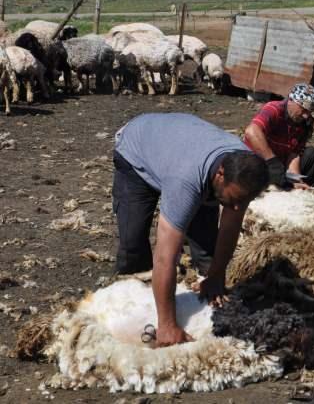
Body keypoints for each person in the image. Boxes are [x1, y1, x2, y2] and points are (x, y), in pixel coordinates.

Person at [112, 113, 269, 347]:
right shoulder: (186, 181)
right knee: (134, 244)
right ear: (220, 175)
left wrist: (216, 275)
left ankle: (204, 285)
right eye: (235, 199)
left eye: (243, 201)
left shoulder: (244, 175)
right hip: (137, 152)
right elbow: (166, 257)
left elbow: (230, 226)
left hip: (183, 152)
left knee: (207, 250)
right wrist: (167, 326)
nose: (237, 207)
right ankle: (135, 307)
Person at [243, 83, 314, 190]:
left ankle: (310, 195)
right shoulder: (274, 109)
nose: (306, 115)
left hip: (280, 166)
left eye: (309, 112)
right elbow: (251, 131)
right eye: (303, 109)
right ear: (291, 100)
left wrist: (295, 180)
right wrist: (272, 162)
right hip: (256, 161)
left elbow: (294, 154)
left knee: (312, 155)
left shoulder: (304, 122)